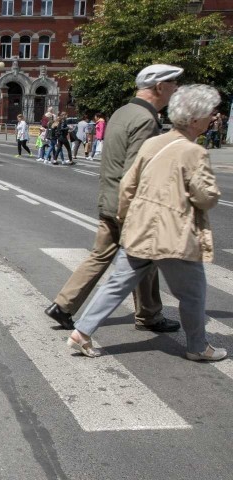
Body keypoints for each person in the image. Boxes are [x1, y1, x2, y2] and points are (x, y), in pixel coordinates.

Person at [68, 84, 226, 362]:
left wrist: (126, 220)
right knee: (193, 293)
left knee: (117, 283)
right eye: (210, 112)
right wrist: (211, 192)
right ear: (194, 118)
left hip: (139, 229)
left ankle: (81, 332)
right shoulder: (194, 152)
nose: (213, 117)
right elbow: (204, 198)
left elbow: (128, 185)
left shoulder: (153, 143)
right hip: (173, 235)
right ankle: (198, 346)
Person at [45, 63, 184, 333]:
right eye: (172, 84)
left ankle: (63, 306)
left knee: (105, 256)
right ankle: (147, 315)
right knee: (145, 258)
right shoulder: (146, 119)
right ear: (159, 87)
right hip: (126, 205)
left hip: (109, 197)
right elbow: (137, 170)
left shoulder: (122, 112)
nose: (175, 90)